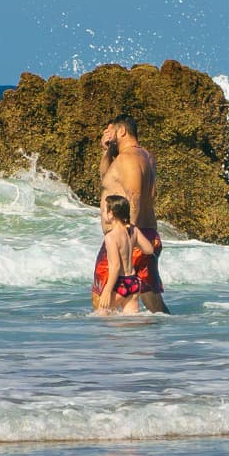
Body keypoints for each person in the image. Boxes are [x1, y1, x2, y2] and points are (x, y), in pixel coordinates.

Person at [93, 113, 166, 312]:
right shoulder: (144, 156)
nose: (108, 133)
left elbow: (134, 195)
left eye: (111, 130)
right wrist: (107, 151)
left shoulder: (128, 158)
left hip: (129, 238)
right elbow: (106, 180)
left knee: (102, 300)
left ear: (122, 131)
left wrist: (124, 235)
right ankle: (166, 339)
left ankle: (111, 342)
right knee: (154, 306)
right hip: (145, 235)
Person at [93, 192, 160, 314]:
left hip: (119, 284)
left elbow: (116, 266)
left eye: (104, 211)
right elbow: (149, 249)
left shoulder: (111, 237)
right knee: (129, 326)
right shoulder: (133, 230)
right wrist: (131, 243)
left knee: (101, 319)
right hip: (134, 283)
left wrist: (107, 291)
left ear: (111, 214)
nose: (102, 214)